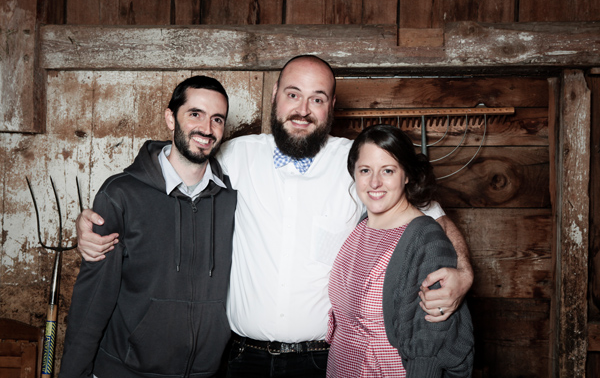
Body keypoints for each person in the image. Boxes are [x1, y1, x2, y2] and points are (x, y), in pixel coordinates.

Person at [75, 55, 474, 377]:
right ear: (275, 97)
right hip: (240, 358)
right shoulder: (236, 155)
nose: (303, 110)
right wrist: (102, 214)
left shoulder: (357, 162)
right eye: (293, 95)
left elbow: (432, 217)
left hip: (321, 360)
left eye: (317, 99)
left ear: (332, 106)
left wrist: (464, 274)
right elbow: (177, 158)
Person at [59, 76, 237, 378]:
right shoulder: (121, 194)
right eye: (195, 114)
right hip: (125, 370)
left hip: (205, 373)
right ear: (171, 118)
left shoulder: (233, 196)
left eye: (217, 119)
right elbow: (93, 297)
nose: (207, 129)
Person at [326, 124, 473, 378]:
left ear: (406, 175)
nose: (374, 182)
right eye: (365, 170)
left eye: (388, 170)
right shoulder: (360, 226)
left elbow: (430, 346)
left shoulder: (425, 240)